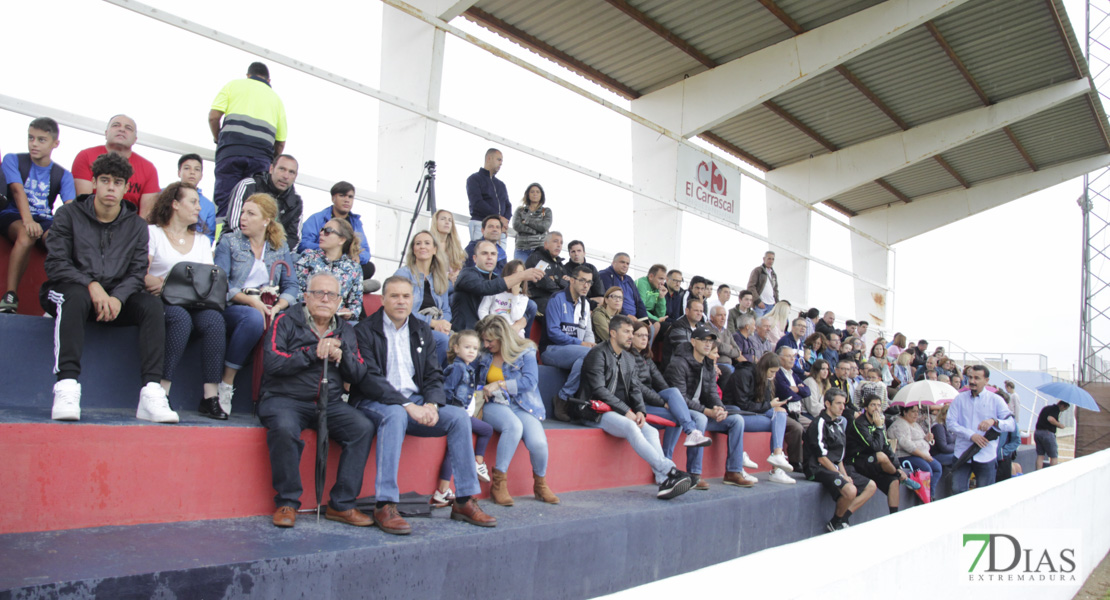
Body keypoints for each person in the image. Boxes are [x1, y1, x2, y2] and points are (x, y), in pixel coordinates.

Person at [353, 276, 497, 534]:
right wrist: (409, 406)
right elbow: (369, 379)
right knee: (396, 414)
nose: (400, 301)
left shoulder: (420, 330)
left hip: (416, 401)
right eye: (394, 296)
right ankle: (385, 504)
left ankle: (463, 500)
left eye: (406, 296)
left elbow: (433, 375)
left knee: (458, 418)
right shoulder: (364, 330)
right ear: (383, 299)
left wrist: (431, 403)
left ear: (413, 300)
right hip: (375, 401)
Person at [42, 153, 175, 423]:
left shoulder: (137, 225)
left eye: (117, 182)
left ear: (127, 188)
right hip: (70, 293)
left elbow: (138, 271)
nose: (111, 187)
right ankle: (66, 387)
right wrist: (92, 285)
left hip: (114, 301)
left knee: (151, 305)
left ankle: (151, 393)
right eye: (104, 181)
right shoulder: (68, 214)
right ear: (94, 183)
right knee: (76, 294)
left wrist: (118, 297)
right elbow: (55, 264)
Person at [259, 272, 372, 529]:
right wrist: (312, 352)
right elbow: (273, 362)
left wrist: (341, 355)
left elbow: (358, 374)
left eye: (331, 294)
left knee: (362, 427)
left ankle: (341, 504)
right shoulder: (285, 320)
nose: (324, 298)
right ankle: (287, 502)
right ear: (306, 297)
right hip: (285, 398)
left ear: (339, 301)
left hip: (329, 402)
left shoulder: (346, 330)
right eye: (318, 293)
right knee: (285, 428)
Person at [569, 314, 694, 499]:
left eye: (631, 332)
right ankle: (670, 470)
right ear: (612, 333)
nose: (630, 336)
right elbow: (599, 390)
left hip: (616, 411)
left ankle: (663, 480)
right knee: (631, 427)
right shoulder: (597, 354)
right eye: (626, 332)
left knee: (649, 431)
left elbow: (635, 389)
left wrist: (640, 411)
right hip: (592, 410)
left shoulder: (628, 358)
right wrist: (627, 411)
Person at [144, 182, 226, 419]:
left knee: (214, 321)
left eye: (199, 203)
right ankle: (161, 394)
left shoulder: (201, 240)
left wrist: (167, 281)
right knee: (180, 320)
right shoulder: (153, 233)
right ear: (175, 204)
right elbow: (142, 274)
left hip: (194, 302)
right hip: (162, 302)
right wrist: (167, 285)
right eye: (193, 202)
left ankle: (210, 397)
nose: (199, 208)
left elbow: (209, 282)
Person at [214, 193, 298, 415]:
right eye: (243, 212)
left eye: (251, 213)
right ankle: (226, 383)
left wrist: (278, 307)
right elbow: (220, 284)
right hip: (235, 305)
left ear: (266, 220)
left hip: (269, 305)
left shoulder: (279, 247)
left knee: (288, 323)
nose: (243, 218)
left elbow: (292, 286)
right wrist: (251, 301)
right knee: (253, 318)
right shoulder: (229, 241)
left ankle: (278, 395)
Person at [473, 314, 559, 505]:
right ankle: (499, 485)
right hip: (493, 404)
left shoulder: (525, 350)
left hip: (522, 404)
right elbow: (474, 380)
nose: (486, 344)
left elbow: (530, 382)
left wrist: (501, 384)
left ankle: (540, 485)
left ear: (503, 337)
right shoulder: (483, 354)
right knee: (513, 427)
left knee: (539, 444)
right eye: (484, 340)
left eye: (490, 340)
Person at [664, 327, 758, 490]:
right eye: (703, 340)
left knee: (736, 420)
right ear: (693, 342)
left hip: (701, 410)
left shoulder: (708, 364)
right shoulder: (678, 363)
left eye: (710, 341)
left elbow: (712, 392)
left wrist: (719, 408)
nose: (708, 344)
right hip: (683, 412)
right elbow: (680, 399)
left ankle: (733, 472)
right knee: (700, 419)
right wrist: (707, 411)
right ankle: (694, 474)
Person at [1, 117, 76, 314]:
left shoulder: (63, 174)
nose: (34, 144)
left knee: (58, 241)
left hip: (44, 219)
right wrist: (28, 221)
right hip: (13, 214)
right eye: (31, 138)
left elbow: (70, 207)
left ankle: (54, 300)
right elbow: (17, 191)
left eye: (41, 140)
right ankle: (10, 296)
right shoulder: (13, 159)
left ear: (55, 143)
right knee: (27, 234)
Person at [209, 62, 287, 218]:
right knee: (254, 204)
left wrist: (219, 139)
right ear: (269, 81)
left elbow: (213, 117)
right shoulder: (276, 100)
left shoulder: (233, 86)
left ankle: (223, 239)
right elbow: (280, 142)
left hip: (231, 151)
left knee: (226, 200)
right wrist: (271, 160)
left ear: (248, 76)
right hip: (261, 158)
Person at [629, 319, 712, 455]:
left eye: (647, 336)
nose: (645, 339)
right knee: (676, 417)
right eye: (640, 335)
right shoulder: (627, 357)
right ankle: (669, 457)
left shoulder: (647, 359)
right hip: (638, 404)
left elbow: (662, 384)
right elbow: (637, 387)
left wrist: (671, 401)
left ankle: (691, 433)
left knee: (673, 391)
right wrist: (663, 403)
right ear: (631, 338)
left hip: (651, 400)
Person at [431, 330, 495, 507]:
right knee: (454, 450)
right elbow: (447, 391)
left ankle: (477, 462)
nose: (472, 351)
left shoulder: (468, 368)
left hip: (463, 415)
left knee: (486, 430)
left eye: (475, 348)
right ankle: (443, 490)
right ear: (456, 348)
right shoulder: (456, 368)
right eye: (467, 347)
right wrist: (453, 413)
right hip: (456, 415)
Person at [804, 389, 878, 532]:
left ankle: (840, 519)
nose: (842, 407)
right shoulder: (819, 423)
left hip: (834, 468)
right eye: (838, 403)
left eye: (843, 404)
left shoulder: (838, 423)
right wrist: (842, 475)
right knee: (851, 490)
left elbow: (839, 458)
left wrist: (844, 473)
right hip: (817, 468)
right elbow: (821, 457)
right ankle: (836, 522)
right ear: (827, 404)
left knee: (871, 486)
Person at [723, 352, 802, 484]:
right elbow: (743, 405)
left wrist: (772, 405)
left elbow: (764, 406)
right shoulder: (743, 374)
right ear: (764, 368)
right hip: (737, 414)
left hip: (752, 414)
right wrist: (770, 405)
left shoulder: (765, 379)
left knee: (780, 413)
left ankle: (777, 458)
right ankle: (775, 462)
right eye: (772, 371)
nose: (773, 375)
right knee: (777, 418)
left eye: (776, 372)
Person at [846, 393, 920, 515]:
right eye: (873, 405)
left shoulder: (879, 422)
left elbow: (886, 446)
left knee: (894, 481)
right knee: (880, 456)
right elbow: (875, 447)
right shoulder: (859, 423)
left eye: (879, 406)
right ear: (866, 407)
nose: (876, 408)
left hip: (873, 462)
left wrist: (898, 466)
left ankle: (894, 516)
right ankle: (900, 475)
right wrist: (879, 428)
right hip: (856, 461)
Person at [71, 114, 160, 215]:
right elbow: (83, 203)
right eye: (116, 125)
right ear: (106, 133)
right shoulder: (85, 156)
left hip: (130, 227)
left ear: (135, 139)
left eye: (128, 128)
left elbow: (146, 215)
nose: (122, 129)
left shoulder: (148, 168)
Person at [947, 365, 1015, 493]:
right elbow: (950, 423)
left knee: (985, 495)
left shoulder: (996, 400)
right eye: (970, 377)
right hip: (962, 453)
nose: (972, 381)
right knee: (957, 491)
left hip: (986, 455)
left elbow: (1011, 424)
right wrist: (970, 435)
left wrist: (994, 422)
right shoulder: (959, 399)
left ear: (986, 380)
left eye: (977, 378)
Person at [451, 240, 541, 332]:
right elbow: (486, 287)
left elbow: (516, 300)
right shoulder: (466, 274)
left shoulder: (496, 278)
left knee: (530, 305)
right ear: (475, 258)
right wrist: (521, 275)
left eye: (493, 254)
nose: (489, 257)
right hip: (468, 333)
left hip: (493, 333)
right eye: (484, 253)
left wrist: (521, 321)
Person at [542, 264, 596, 408]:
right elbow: (553, 333)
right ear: (572, 280)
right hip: (551, 350)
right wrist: (580, 344)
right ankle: (563, 397)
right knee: (588, 354)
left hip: (576, 351)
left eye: (589, 282)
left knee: (595, 355)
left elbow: (588, 332)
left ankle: (581, 404)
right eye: (582, 281)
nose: (586, 285)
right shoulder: (557, 299)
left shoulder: (586, 303)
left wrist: (591, 345)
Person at [298, 181, 375, 282]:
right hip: (321, 260)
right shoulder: (317, 218)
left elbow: (365, 250)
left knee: (369, 267)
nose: (347, 200)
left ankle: (341, 281)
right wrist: (328, 250)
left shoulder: (356, 222)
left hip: (346, 262)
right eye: (342, 196)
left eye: (350, 197)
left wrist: (358, 257)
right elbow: (303, 244)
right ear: (333, 198)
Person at [395, 230, 453, 365]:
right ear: (413, 250)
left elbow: (446, 309)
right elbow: (401, 309)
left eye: (427, 243)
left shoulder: (439, 277)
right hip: (410, 326)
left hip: (436, 327)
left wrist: (443, 324)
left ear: (434, 250)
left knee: (464, 342)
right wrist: (432, 323)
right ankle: (430, 380)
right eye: (418, 243)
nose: (422, 246)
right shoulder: (403, 274)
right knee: (443, 341)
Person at [225, 154, 302, 250]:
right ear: (271, 169)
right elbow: (234, 225)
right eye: (282, 169)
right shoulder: (248, 186)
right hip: (236, 246)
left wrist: (272, 253)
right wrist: (257, 250)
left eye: (291, 172)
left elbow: (294, 239)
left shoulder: (296, 202)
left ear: (295, 176)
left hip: (273, 255)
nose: (286, 176)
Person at [294, 218, 363, 323]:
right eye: (322, 230)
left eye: (328, 231)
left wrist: (350, 313)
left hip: (337, 320)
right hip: (307, 315)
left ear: (342, 240)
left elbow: (356, 304)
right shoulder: (308, 257)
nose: (321, 233)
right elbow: (296, 291)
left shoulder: (354, 268)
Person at [888, 405, 942, 500]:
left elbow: (920, 438)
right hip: (906, 455)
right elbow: (907, 444)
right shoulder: (900, 425)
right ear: (905, 412)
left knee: (937, 467)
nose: (916, 414)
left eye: (917, 412)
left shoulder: (916, 424)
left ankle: (930, 494)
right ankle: (925, 497)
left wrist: (927, 438)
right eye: (913, 411)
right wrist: (923, 456)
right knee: (926, 469)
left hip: (921, 454)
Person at [466, 148, 510, 242]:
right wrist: (498, 218)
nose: (501, 163)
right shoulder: (474, 179)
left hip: (499, 228)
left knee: (499, 256)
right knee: (482, 253)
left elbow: (508, 205)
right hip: (480, 223)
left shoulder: (501, 184)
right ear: (489, 158)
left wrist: (504, 223)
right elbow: (477, 203)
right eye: (499, 159)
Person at [478, 259, 530, 338]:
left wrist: (515, 296)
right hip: (495, 328)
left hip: (514, 331)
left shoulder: (523, 297)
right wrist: (488, 325)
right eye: (514, 274)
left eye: (521, 274)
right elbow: (482, 309)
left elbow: (516, 317)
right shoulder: (495, 290)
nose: (518, 277)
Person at [524, 231, 568, 315]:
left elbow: (568, 286)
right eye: (555, 241)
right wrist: (560, 284)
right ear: (546, 244)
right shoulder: (537, 258)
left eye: (561, 243)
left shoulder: (560, 265)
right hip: (536, 299)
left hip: (554, 298)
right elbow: (544, 283)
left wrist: (555, 279)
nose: (559, 245)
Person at [176, 154, 217, 243]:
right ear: (179, 172)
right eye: (187, 168)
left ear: (201, 175)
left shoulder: (208, 206)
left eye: (197, 169)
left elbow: (209, 236)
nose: (192, 172)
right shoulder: (162, 194)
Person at [598, 253, 647, 320]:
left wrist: (644, 318)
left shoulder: (629, 279)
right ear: (613, 263)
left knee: (652, 327)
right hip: (618, 317)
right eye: (622, 262)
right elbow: (610, 300)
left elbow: (639, 301)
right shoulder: (604, 275)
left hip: (635, 318)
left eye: (627, 263)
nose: (625, 265)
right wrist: (626, 315)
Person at [511, 183, 552, 263]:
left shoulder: (546, 211)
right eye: (532, 192)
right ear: (528, 194)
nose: (535, 194)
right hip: (521, 249)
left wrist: (527, 221)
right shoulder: (520, 210)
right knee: (520, 273)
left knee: (537, 274)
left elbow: (544, 227)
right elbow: (516, 225)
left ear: (541, 195)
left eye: (537, 192)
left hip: (539, 249)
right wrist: (535, 231)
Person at [663, 297, 704, 368]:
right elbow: (684, 350)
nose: (699, 313)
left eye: (701, 311)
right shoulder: (678, 326)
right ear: (687, 311)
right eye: (696, 310)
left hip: (693, 364)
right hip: (676, 367)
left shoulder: (701, 327)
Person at [431, 209, 467, 286]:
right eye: (443, 219)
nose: (447, 222)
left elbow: (458, 266)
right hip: (434, 282)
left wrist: (456, 274)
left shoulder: (455, 246)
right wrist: (448, 276)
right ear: (435, 222)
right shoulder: (430, 243)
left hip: (452, 284)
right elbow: (428, 268)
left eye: (450, 220)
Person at [1035, 400, 1070, 469]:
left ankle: (1038, 472)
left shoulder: (1046, 408)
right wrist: (1059, 425)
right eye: (1065, 409)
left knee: (1040, 455)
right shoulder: (1055, 409)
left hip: (1037, 432)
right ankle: (1052, 474)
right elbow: (1050, 419)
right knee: (1053, 456)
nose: (1064, 411)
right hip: (1047, 433)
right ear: (1062, 406)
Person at [636, 264, 669, 337]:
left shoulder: (657, 287)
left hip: (649, 315)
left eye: (664, 279)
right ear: (651, 276)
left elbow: (660, 315)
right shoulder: (641, 283)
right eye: (660, 278)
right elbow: (641, 308)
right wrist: (657, 319)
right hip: (637, 313)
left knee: (670, 327)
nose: (663, 283)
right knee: (656, 325)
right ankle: (646, 348)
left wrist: (661, 297)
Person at [708, 305, 742, 373]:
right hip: (716, 364)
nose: (723, 318)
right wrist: (729, 347)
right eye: (720, 315)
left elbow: (738, 352)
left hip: (729, 365)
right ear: (712, 317)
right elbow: (718, 347)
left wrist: (722, 345)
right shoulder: (707, 329)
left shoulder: (727, 331)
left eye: (725, 315)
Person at [746, 251, 778, 318]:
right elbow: (751, 286)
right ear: (764, 259)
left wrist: (776, 302)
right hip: (761, 304)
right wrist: (758, 301)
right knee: (758, 324)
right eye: (769, 258)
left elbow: (775, 289)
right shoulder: (758, 270)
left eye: (773, 259)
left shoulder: (773, 274)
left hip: (771, 305)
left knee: (768, 326)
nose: (771, 261)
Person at [802, 358, 832, 423]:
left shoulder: (825, 383)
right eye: (823, 369)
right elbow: (812, 406)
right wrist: (827, 414)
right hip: (807, 414)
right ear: (816, 370)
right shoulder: (810, 382)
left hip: (820, 413)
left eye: (827, 369)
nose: (825, 371)